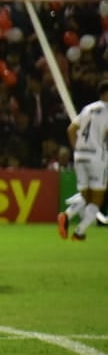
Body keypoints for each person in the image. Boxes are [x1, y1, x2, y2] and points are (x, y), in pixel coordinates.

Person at [58, 79, 108, 242]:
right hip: (96, 156)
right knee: (97, 198)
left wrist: (77, 148)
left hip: (80, 155)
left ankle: (66, 215)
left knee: (85, 195)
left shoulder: (88, 108)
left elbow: (71, 129)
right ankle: (79, 232)